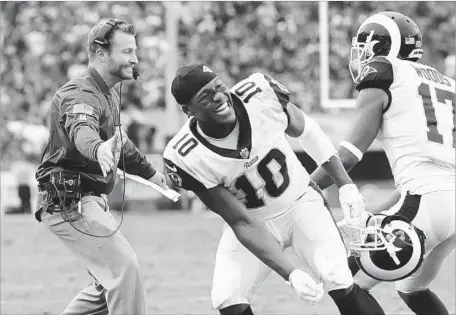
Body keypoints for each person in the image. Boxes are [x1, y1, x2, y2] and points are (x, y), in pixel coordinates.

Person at [163, 63, 385, 315]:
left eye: (219, 87)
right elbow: (240, 222)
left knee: (337, 276)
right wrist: (291, 273)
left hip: (301, 203)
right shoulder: (186, 156)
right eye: (205, 96)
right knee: (227, 298)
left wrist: (345, 184)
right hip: (254, 220)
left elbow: (308, 131)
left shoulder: (259, 95)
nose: (218, 96)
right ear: (188, 111)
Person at [310, 11, 455, 315]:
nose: (362, 56)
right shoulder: (447, 83)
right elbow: (429, 172)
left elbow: (348, 154)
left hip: (425, 200)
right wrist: (374, 215)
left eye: (365, 47)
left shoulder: (384, 70)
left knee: (346, 281)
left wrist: (305, 188)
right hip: (444, 201)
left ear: (384, 46)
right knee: (413, 289)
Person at [35, 18, 168, 315]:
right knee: (125, 270)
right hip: (70, 201)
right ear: (101, 53)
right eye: (127, 52)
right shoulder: (79, 94)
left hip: (87, 200)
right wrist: (98, 148)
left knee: (103, 288)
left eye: (134, 51)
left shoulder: (107, 93)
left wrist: (154, 174)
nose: (134, 59)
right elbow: (83, 130)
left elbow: (123, 147)